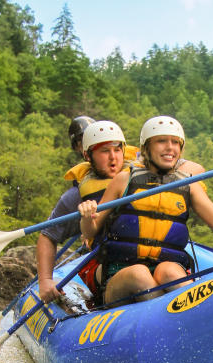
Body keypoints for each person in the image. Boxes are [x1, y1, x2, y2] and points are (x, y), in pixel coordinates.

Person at [78, 115, 213, 305]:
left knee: (169, 271)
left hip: (165, 268)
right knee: (139, 274)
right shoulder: (124, 180)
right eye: (161, 141)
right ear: (146, 148)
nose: (170, 148)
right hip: (121, 274)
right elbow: (90, 231)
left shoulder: (188, 185)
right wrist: (87, 216)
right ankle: (169, 315)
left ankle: (192, 314)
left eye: (176, 143)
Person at [37, 119, 138, 302]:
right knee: (139, 275)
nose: (113, 158)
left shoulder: (145, 174)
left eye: (116, 150)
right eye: (104, 151)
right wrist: (45, 281)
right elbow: (47, 235)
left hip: (149, 258)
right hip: (106, 265)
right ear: (87, 155)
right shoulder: (76, 196)